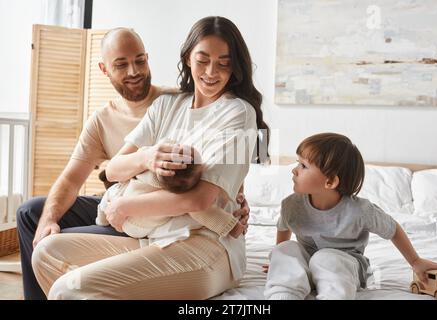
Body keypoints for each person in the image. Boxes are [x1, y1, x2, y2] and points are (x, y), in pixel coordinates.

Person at [31, 16, 270, 300]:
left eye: (224, 63)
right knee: (46, 253)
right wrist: (147, 157)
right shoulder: (167, 106)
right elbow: (115, 168)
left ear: (235, 66)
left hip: (206, 247)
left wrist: (125, 207)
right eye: (202, 60)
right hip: (155, 238)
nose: (211, 72)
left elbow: (199, 200)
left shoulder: (238, 112)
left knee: (67, 289)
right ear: (188, 58)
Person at [264, 133, 437, 300]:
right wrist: (281, 262)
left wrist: (415, 262)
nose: (294, 170)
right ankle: (284, 295)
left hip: (347, 266)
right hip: (307, 262)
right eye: (297, 163)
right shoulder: (291, 205)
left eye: (303, 166)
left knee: (326, 258)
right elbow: (284, 227)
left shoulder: (360, 211)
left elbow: (393, 229)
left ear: (330, 181)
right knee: (285, 250)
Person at [96, 145, 243, 240]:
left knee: (111, 193)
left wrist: (144, 154)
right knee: (179, 214)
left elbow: (119, 172)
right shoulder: (185, 192)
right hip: (141, 229)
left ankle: (101, 220)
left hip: (123, 208)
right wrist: (232, 227)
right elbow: (207, 213)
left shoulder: (149, 174)